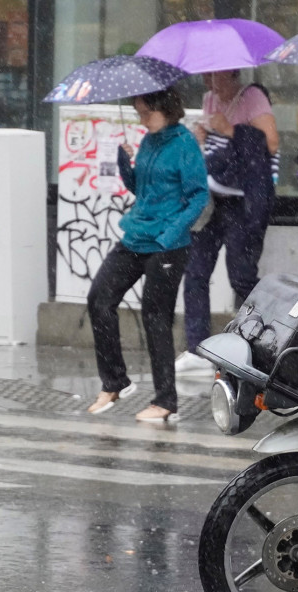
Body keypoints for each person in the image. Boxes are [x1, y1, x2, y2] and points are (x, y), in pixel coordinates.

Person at [86, 87, 209, 422]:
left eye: (145, 113)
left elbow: (198, 196)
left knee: (155, 317)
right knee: (99, 299)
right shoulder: (149, 140)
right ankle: (115, 382)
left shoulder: (184, 144)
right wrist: (125, 165)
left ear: (164, 108)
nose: (141, 118)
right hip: (136, 235)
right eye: (138, 112)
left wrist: (172, 233)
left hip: (168, 244)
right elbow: (141, 189)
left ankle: (165, 401)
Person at [175, 69, 279, 375]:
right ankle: (197, 348)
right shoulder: (209, 99)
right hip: (213, 196)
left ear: (230, 73)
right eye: (205, 77)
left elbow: (270, 144)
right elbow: (216, 151)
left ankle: (268, 338)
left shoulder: (251, 97)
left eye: (214, 76)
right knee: (195, 271)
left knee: (242, 276)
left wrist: (231, 128)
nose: (209, 83)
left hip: (242, 200)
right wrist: (202, 138)